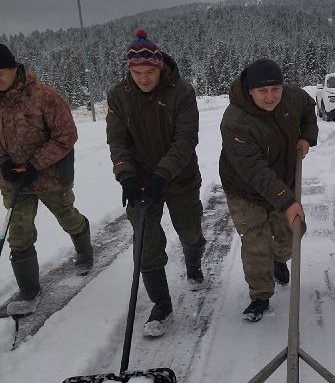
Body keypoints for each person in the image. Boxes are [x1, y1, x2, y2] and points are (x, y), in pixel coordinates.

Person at [106, 30, 205, 337]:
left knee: (189, 231)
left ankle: (193, 264)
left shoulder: (181, 92)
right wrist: (126, 175)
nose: (143, 79)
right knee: (146, 242)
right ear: (129, 70)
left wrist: (163, 175)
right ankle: (161, 305)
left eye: (149, 72)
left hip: (179, 177)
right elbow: (117, 140)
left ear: (160, 67)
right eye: (137, 73)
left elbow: (185, 139)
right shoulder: (118, 95)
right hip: (140, 182)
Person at [219, 58, 318, 321]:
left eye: (275, 89)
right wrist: (287, 202)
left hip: (281, 180)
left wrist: (306, 136)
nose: (271, 96)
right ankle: (260, 296)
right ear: (249, 90)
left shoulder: (291, 97)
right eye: (262, 91)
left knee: (292, 234)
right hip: (245, 190)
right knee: (256, 242)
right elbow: (255, 171)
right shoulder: (235, 121)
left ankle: (277, 260)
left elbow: (309, 107)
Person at [0, 43, 93, 316]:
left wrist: (35, 164)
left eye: (0, 72)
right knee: (18, 231)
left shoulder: (43, 96)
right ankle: (29, 291)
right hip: (13, 181)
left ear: (13, 68)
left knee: (67, 216)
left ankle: (85, 252)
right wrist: (3, 163)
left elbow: (67, 135)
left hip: (50, 177)